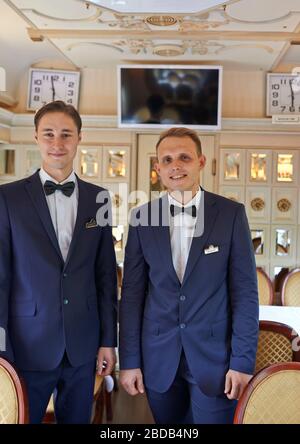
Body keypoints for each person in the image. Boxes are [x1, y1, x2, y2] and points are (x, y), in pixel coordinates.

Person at [119, 127, 259, 424]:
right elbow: (131, 297)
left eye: (184, 157)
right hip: (158, 358)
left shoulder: (231, 214)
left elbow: (245, 294)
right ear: (157, 168)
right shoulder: (141, 218)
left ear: (201, 162)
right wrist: (129, 362)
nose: (175, 166)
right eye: (167, 160)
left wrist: (242, 362)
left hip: (216, 361)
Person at [0, 101, 118, 424]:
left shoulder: (99, 198)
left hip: (83, 347)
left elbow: (106, 276)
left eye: (66, 134)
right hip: (26, 345)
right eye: (49, 134)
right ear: (36, 137)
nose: (57, 143)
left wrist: (109, 340)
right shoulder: (7, 198)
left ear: (79, 138)